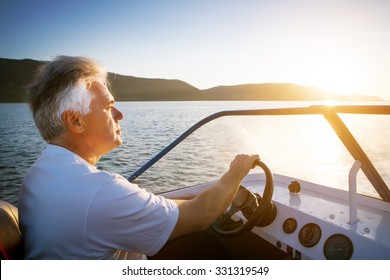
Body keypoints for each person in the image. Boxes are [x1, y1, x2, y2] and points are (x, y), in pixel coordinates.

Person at [18, 56, 260, 259]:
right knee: (205, 243)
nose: (119, 114)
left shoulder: (38, 175)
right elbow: (201, 215)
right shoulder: (100, 191)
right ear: (75, 121)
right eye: (107, 107)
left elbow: (128, 206)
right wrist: (236, 172)